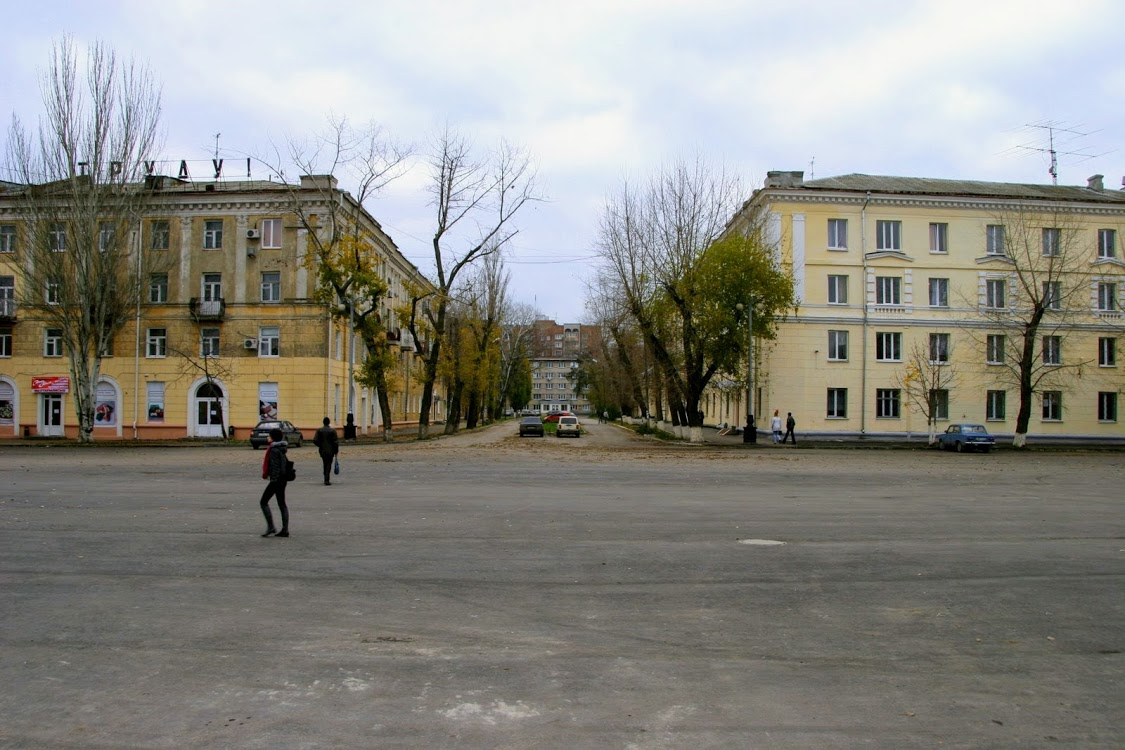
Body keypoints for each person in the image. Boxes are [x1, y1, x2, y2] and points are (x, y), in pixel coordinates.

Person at [259, 427, 289, 537]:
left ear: (273, 438)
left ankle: (271, 527)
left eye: (269, 436)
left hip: (276, 480)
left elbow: (276, 467)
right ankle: (285, 529)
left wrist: (273, 480)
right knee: (282, 504)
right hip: (283, 479)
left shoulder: (273, 450)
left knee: (263, 502)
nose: (267, 437)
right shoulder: (282, 448)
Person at [313, 416, 339, 485]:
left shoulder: (319, 430)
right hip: (331, 450)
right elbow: (335, 442)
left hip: (322, 450)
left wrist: (320, 445)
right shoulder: (333, 431)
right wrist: (336, 451)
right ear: (329, 422)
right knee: (329, 464)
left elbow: (315, 440)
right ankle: (326, 478)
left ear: (323, 422)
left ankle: (325, 475)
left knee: (325, 463)